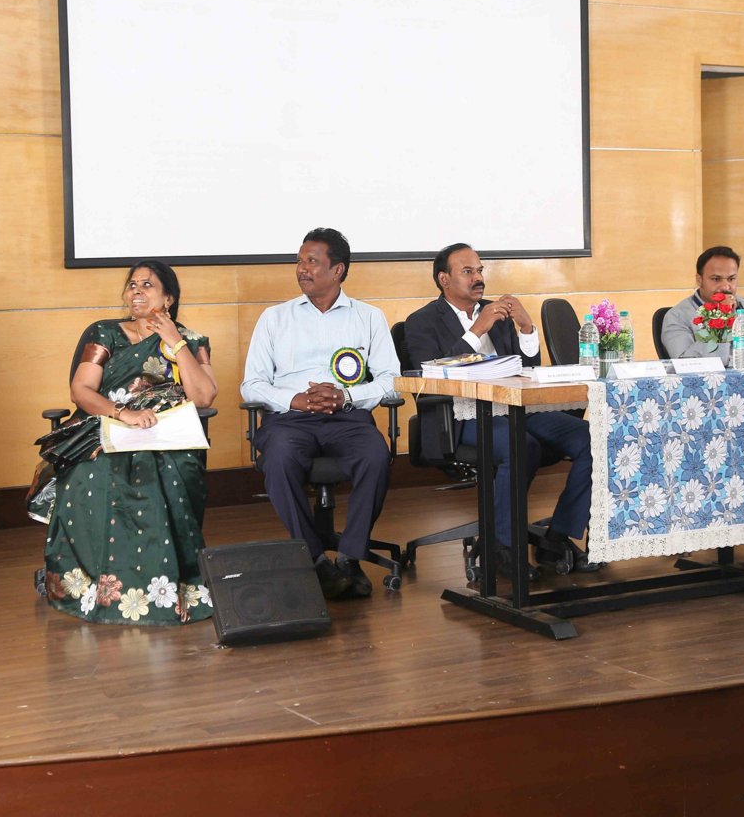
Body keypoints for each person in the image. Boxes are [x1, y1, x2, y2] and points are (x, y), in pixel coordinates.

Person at [40, 260, 219, 625]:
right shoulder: (105, 332)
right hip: (105, 426)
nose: (136, 290)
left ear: (168, 298)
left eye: (147, 285)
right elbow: (81, 390)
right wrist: (124, 414)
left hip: (167, 435)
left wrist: (175, 342)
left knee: (165, 470)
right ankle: (95, 583)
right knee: (99, 472)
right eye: (132, 284)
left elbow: (203, 396)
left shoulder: (191, 340)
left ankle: (164, 585)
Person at [404, 243, 599, 576]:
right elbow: (433, 377)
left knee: (592, 438)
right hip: (463, 415)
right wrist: (477, 329)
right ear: (444, 279)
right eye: (468, 271)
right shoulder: (421, 322)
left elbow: (527, 368)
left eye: (480, 270)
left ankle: (557, 537)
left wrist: (526, 328)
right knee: (520, 444)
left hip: (517, 406)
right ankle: (502, 548)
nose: (478, 278)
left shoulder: (497, 315)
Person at [240, 228, 400, 600]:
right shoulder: (275, 318)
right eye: (299, 261)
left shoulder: (369, 317)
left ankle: (350, 557)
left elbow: (392, 381)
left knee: (375, 456)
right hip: (290, 419)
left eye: (311, 262)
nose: (301, 269)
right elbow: (251, 385)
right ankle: (314, 560)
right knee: (279, 458)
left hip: (347, 417)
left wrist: (346, 395)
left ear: (337, 270)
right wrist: (295, 399)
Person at [661, 245, 744, 361]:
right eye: (716, 279)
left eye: (731, 279)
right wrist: (722, 317)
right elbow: (686, 363)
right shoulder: (677, 316)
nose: (725, 286)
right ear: (699, 280)